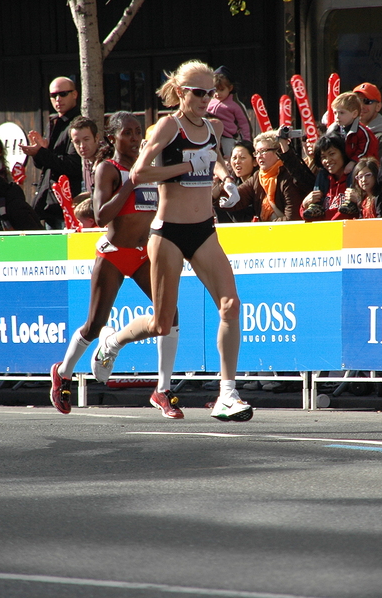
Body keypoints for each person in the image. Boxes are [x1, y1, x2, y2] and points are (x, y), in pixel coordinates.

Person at [91, 60, 253, 422]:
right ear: (180, 92)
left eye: (211, 92)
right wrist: (183, 168)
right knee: (162, 324)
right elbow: (139, 173)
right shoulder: (168, 126)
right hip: (168, 234)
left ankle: (227, 394)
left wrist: (226, 179)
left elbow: (215, 159)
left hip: (204, 230)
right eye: (198, 92)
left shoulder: (214, 126)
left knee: (231, 305)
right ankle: (113, 341)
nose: (206, 99)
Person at [50, 111, 182, 417]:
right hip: (113, 254)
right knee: (94, 325)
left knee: (170, 314)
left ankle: (162, 390)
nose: (135, 138)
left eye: (138, 132)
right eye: (127, 133)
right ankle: (63, 372)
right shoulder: (108, 169)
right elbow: (101, 216)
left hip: (143, 254)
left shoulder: (150, 167)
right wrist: (130, 182)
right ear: (112, 138)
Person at [21, 76, 83, 228]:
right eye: (53, 96)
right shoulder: (54, 123)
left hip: (70, 203)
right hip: (50, 202)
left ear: (74, 94)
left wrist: (41, 152)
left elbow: (73, 164)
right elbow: (45, 165)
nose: (58, 99)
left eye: (63, 94)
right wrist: (38, 152)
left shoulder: (78, 124)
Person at [223, 131, 314, 222]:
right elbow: (237, 199)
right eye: (257, 152)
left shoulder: (288, 176)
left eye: (263, 151)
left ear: (277, 152)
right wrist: (219, 191)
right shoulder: (257, 177)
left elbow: (292, 219)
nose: (259, 156)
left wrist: (264, 225)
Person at [301, 132, 357, 221]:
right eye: (323, 157)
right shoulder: (323, 178)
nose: (327, 160)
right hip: (326, 229)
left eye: (332, 154)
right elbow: (309, 218)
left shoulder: (358, 177)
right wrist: (304, 205)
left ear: (343, 153)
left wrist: (360, 201)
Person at [326, 91, 379, 174]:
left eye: (342, 113)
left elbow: (364, 152)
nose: (337, 116)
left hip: (361, 166)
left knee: (353, 173)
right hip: (340, 165)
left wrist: (353, 162)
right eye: (335, 113)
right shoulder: (333, 130)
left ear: (354, 114)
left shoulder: (362, 132)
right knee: (323, 173)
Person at [208, 65, 251, 159]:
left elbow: (244, 123)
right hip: (210, 135)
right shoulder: (209, 102)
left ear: (230, 88)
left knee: (229, 155)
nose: (217, 94)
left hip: (227, 137)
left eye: (221, 90)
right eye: (215, 90)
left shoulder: (235, 105)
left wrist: (247, 142)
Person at [213, 140, 257, 222]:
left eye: (242, 158)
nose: (237, 162)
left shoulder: (258, 184)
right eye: (234, 158)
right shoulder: (229, 184)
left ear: (255, 161)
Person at [68, 116, 100, 204]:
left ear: (96, 138)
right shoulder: (85, 159)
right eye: (77, 142)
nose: (82, 146)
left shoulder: (107, 159)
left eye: (86, 139)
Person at [353, 82, 382, 148]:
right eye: (357, 101)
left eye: (367, 101)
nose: (361, 106)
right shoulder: (349, 132)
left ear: (378, 106)